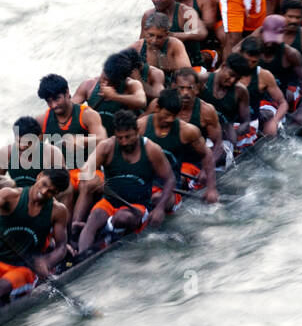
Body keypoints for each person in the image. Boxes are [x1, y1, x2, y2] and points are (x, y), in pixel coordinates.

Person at [71, 110, 177, 252]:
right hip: (110, 201)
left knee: (122, 218)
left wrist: (159, 208)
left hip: (137, 206)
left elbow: (170, 179)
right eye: (120, 138)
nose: (124, 142)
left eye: (128, 137)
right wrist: (93, 177)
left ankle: (106, 232)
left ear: (137, 131)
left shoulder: (151, 149)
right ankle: (82, 254)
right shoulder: (106, 147)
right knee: (94, 218)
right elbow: (86, 170)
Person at [0, 168, 72, 294]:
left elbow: (61, 247)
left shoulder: (58, 211)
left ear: (57, 193)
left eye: (51, 192)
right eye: (44, 184)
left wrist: (46, 262)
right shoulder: (11, 195)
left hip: (26, 268)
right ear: (39, 176)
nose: (43, 192)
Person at [138, 88, 218, 202]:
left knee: (156, 199)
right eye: (167, 115)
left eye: (174, 116)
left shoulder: (187, 131)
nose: (170, 119)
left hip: (170, 187)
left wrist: (211, 188)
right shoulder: (140, 126)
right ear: (157, 108)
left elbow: (206, 154)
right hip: (144, 182)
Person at [36, 73, 107, 193]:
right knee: (62, 188)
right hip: (61, 174)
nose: (54, 105)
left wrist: (82, 141)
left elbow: (104, 141)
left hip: (87, 170)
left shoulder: (87, 114)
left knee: (87, 183)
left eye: (57, 98)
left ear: (67, 92)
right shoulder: (43, 119)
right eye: (49, 101)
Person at [141, 0, 208, 68]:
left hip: (190, 67)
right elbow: (142, 43)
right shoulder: (148, 15)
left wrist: (176, 35)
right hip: (160, 68)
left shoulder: (186, 12)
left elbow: (202, 33)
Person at [76, 51, 149, 133]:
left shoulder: (131, 84)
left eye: (111, 82)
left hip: (121, 138)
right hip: (95, 136)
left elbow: (142, 101)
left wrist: (115, 96)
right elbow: (71, 109)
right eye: (104, 78)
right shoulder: (88, 85)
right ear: (103, 70)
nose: (106, 84)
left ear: (122, 79)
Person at [130, 11, 193, 100]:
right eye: (151, 35)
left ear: (167, 34)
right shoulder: (136, 48)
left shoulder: (174, 45)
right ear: (145, 31)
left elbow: (187, 73)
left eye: (159, 37)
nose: (154, 40)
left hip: (170, 91)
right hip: (143, 91)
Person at [0, 116, 69, 194]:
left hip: (43, 196)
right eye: (19, 141)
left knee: (68, 190)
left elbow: (63, 185)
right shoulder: (6, 153)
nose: (22, 146)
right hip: (16, 197)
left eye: (28, 142)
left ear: (39, 137)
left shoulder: (53, 154)